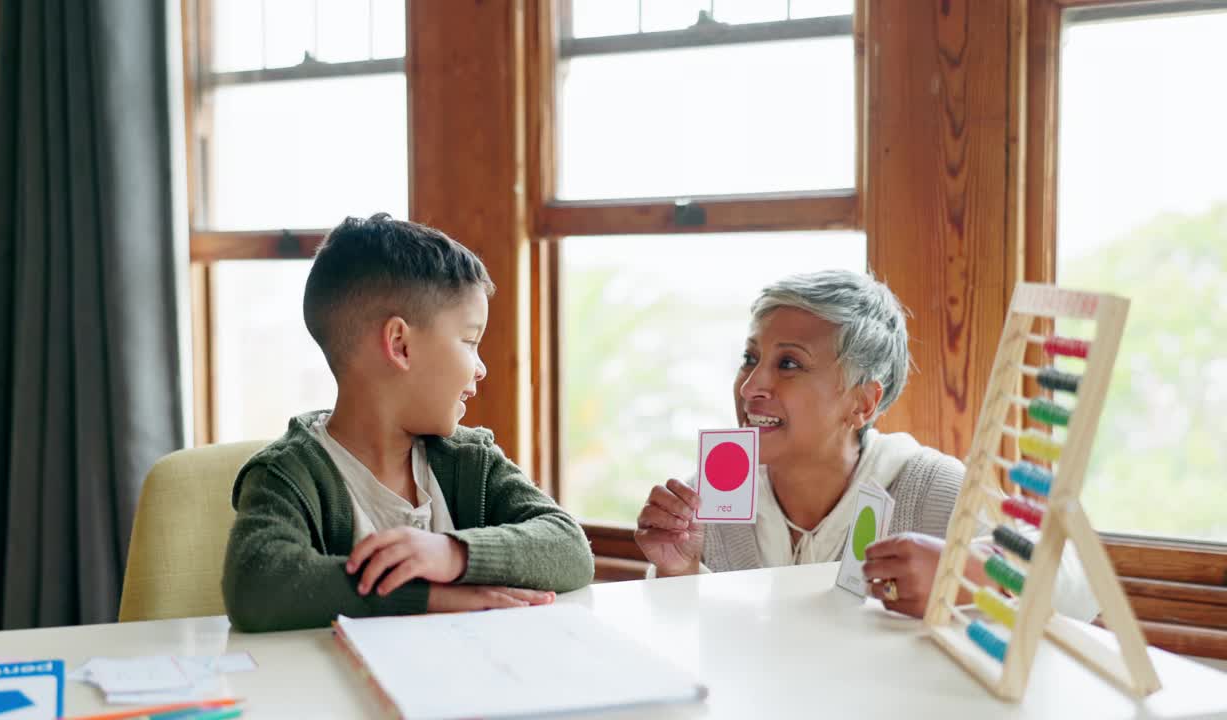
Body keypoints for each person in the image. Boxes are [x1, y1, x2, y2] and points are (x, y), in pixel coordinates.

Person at [634, 270, 1097, 620]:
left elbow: (1080, 585)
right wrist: (680, 573)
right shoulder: (707, 500)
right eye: (750, 358)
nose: (751, 385)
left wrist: (967, 573)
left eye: (789, 363)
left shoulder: (929, 488)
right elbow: (698, 652)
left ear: (863, 401)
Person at [223, 213, 594, 632]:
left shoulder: (471, 461)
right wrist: (429, 598)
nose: (481, 368)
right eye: (470, 341)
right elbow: (258, 587)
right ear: (400, 344)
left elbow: (569, 547)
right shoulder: (289, 474)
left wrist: (451, 554)